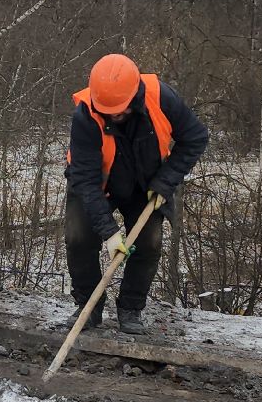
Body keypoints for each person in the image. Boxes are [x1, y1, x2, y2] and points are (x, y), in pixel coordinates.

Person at [64, 53, 209, 334]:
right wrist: (109, 232)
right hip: (95, 184)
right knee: (78, 237)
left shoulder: (162, 99)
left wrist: (166, 182)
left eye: (118, 111)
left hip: (146, 184)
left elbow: (195, 138)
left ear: (133, 96)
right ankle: (88, 307)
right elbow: (85, 179)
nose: (113, 116)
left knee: (149, 243)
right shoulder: (85, 116)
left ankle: (131, 308)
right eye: (107, 111)